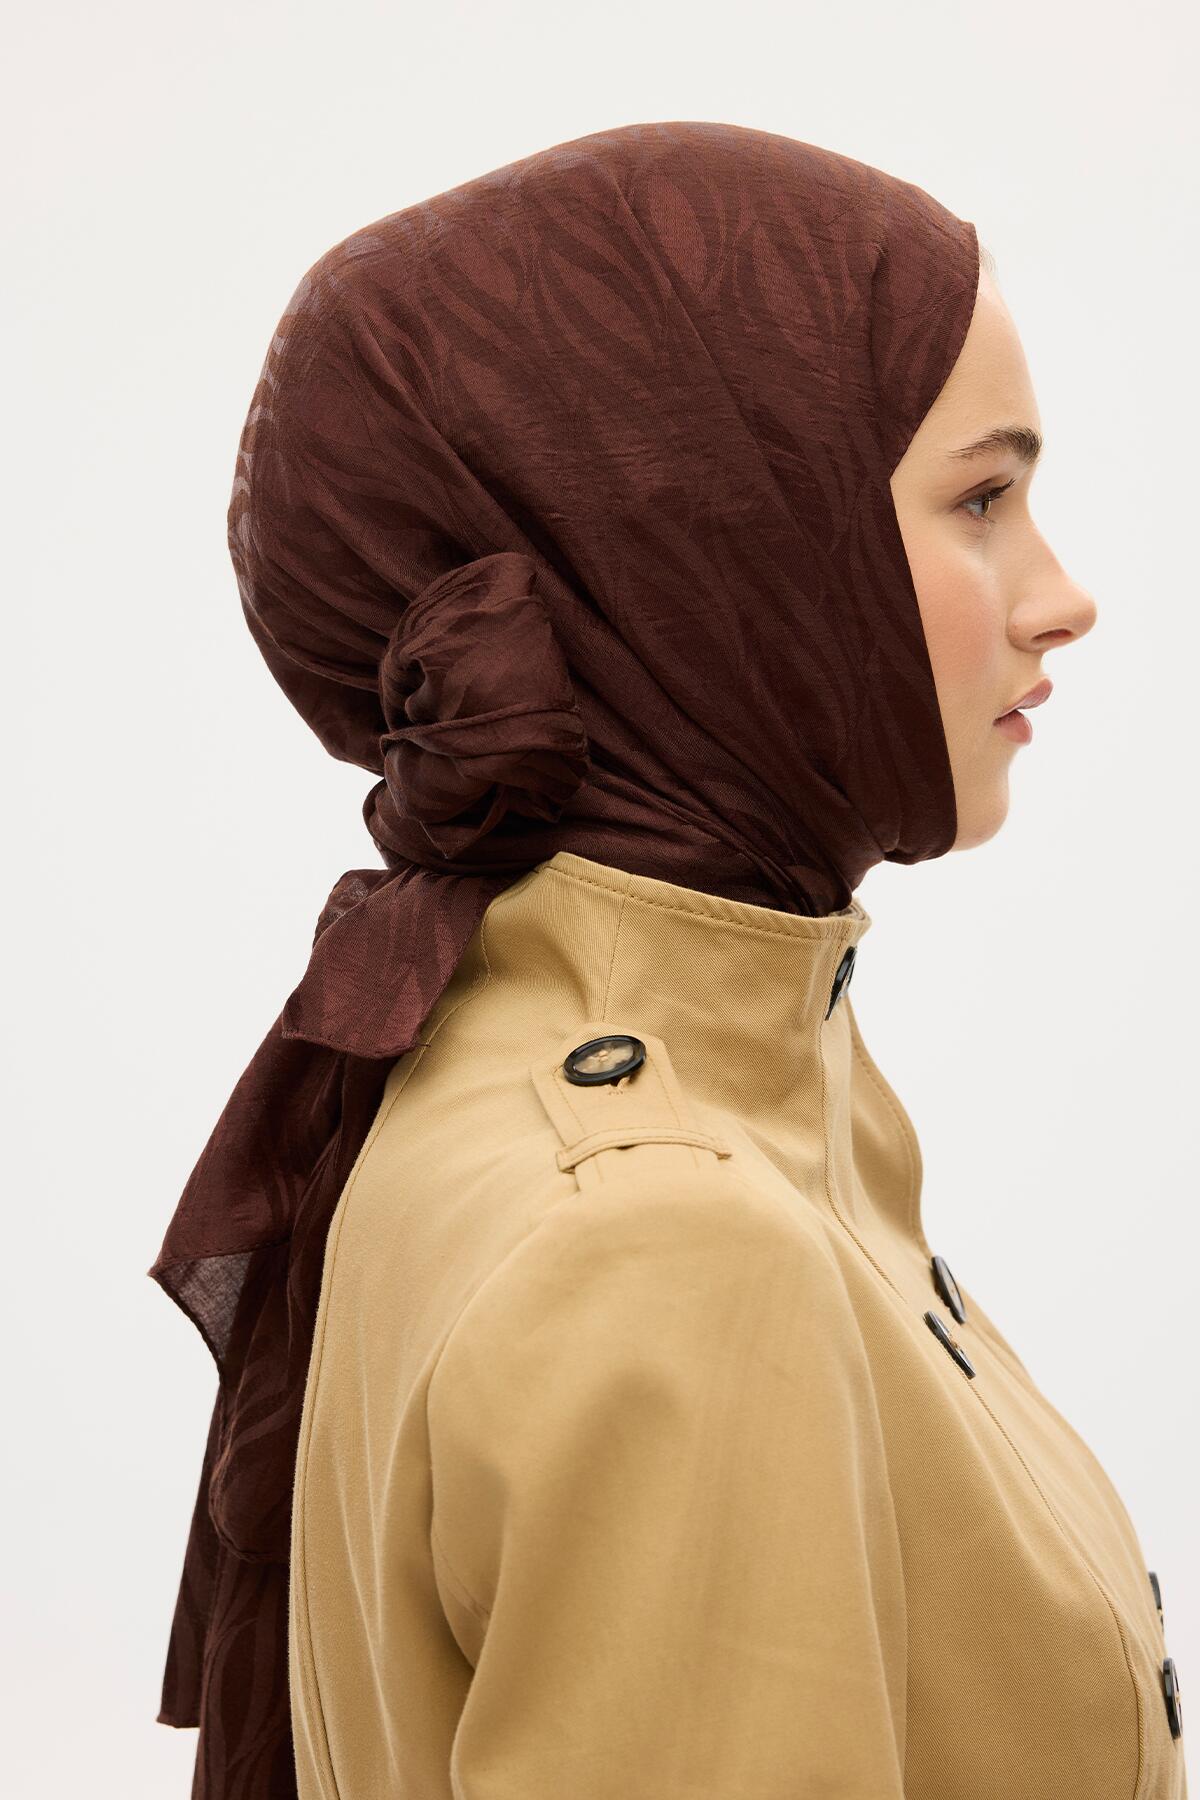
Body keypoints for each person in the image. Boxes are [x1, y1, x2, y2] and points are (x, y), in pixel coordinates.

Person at [148, 121, 1185, 1800]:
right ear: (720, 545)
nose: (1061, 597)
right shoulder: (661, 1240)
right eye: (982, 499)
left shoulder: (515, 1087)